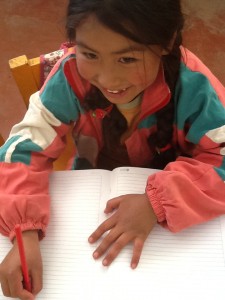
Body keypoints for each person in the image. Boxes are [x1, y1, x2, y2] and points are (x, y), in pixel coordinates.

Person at [0, 0, 225, 299]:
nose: (107, 80)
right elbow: (24, 148)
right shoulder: (68, 76)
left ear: (166, 42)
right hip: (87, 183)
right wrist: (23, 229)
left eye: (127, 59)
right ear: (72, 41)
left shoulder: (194, 87)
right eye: (89, 54)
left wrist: (156, 201)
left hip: (175, 193)